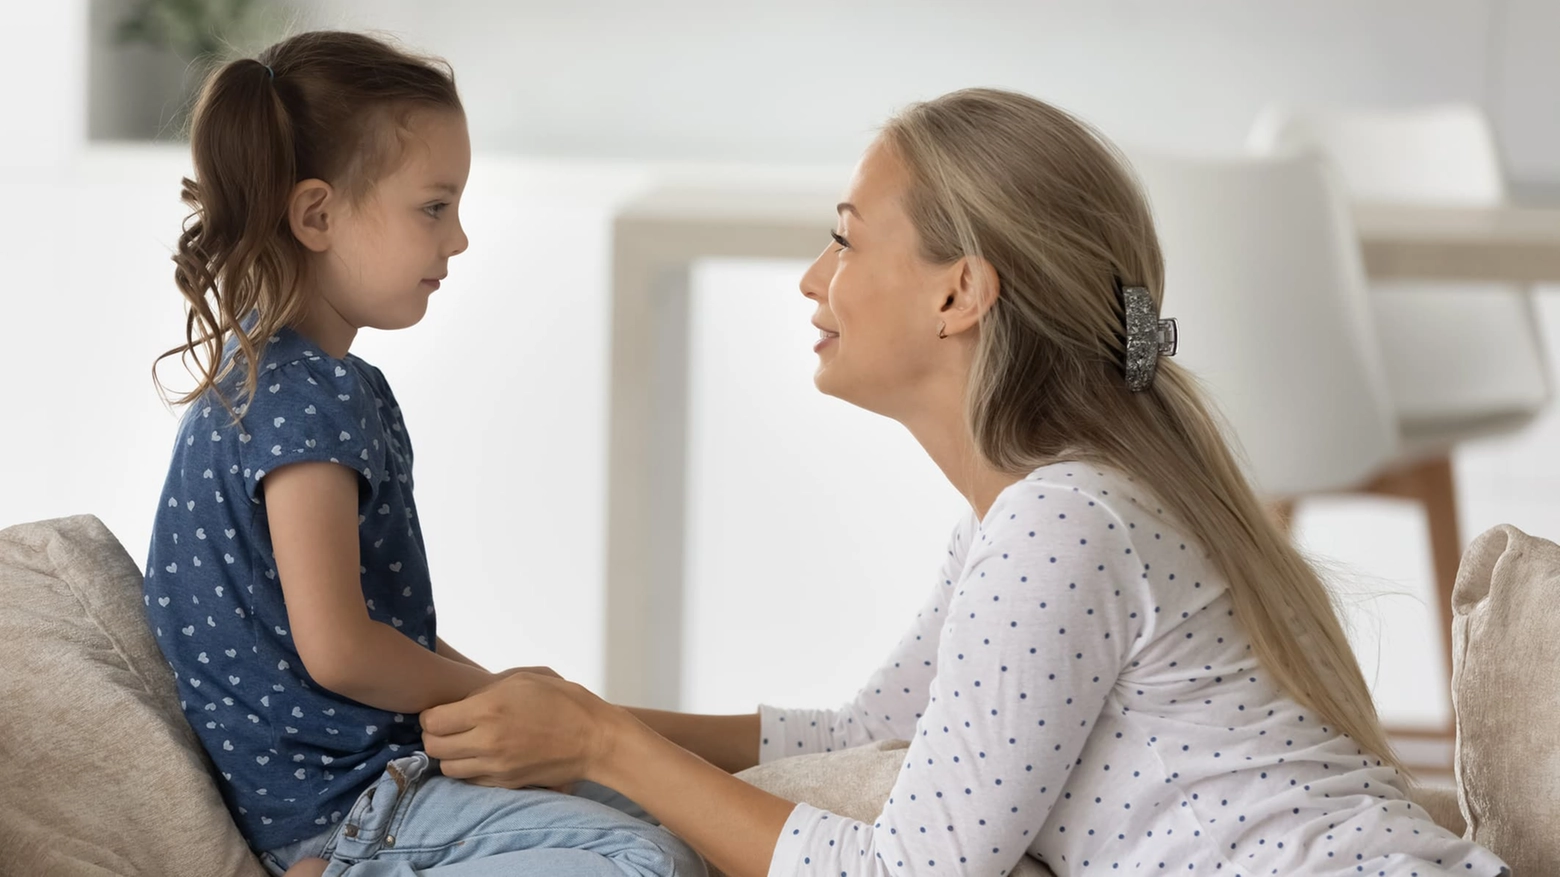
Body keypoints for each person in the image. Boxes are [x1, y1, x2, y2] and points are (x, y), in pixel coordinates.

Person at [417, 88, 1510, 877]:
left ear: (961, 295)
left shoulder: (1064, 523)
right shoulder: (1042, 510)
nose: (813, 278)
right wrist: (580, 712)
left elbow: (904, 872)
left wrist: (608, 750)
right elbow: (864, 730)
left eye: (844, 241)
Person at [142, 30, 704, 877]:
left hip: (378, 785)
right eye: (434, 207)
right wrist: (492, 696)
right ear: (318, 215)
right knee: (650, 859)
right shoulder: (306, 398)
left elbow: (375, 630)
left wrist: (516, 694)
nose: (460, 238)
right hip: (353, 809)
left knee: (677, 816)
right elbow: (341, 648)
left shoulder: (293, 380)